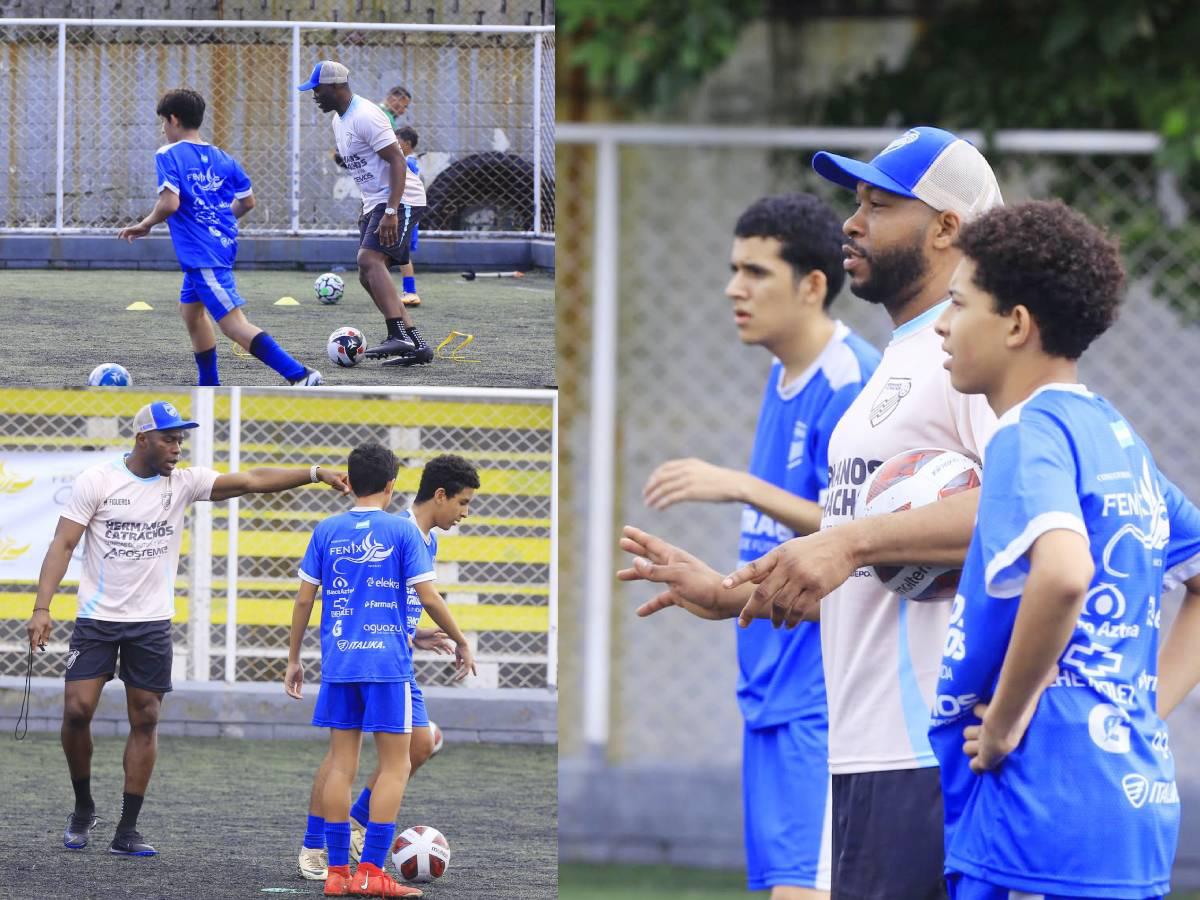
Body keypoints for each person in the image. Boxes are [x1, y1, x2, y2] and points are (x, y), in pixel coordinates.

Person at [621, 126, 1002, 898]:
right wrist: (733, 594)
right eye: (854, 202)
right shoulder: (902, 360)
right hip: (865, 748)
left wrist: (849, 541)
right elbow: (867, 569)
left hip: (926, 746)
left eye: (877, 206)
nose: (851, 224)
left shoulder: (969, 358)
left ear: (945, 228)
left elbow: (1025, 513)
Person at [929, 200, 1200, 899]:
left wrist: (1004, 722)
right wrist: (1143, 703)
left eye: (958, 303)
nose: (941, 324)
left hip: (1037, 808)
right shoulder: (1114, 435)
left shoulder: (1028, 435)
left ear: (1016, 324)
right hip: (1127, 798)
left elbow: (1064, 573)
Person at [641, 193, 879, 899]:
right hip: (772, 691)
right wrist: (721, 590)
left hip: (826, 697)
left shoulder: (853, 383)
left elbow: (864, 542)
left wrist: (741, 486)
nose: (733, 289)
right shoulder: (785, 374)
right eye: (733, 270)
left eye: (755, 272)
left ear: (812, 285)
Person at [25, 400, 350, 856]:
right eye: (169, 439)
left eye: (180, 439)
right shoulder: (97, 481)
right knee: (77, 711)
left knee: (146, 717)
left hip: (151, 624)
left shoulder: (183, 482)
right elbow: (63, 544)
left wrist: (315, 473)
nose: (177, 447)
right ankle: (83, 808)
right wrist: (42, 608)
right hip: (97, 621)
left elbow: (251, 480)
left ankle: (127, 830)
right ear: (142, 439)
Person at [285, 443, 474, 897]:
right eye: (464, 502)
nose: (466, 512)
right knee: (394, 765)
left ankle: (339, 864)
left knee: (368, 757)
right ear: (392, 485)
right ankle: (353, 862)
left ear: (349, 481)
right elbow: (426, 597)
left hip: (343, 660)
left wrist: (293, 658)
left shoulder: (328, 529)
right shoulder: (401, 530)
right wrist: (462, 640)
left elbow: (312, 599)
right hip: (387, 665)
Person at [116, 89, 321, 386]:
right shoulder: (224, 159)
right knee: (191, 312)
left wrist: (146, 224)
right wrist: (216, 223)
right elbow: (247, 202)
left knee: (233, 325)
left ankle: (300, 375)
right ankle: (209, 385)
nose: (162, 129)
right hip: (217, 247)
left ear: (174, 119)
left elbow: (169, 203)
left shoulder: (168, 154)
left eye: (163, 122)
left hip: (203, 254)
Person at [299, 61, 432, 367]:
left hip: (400, 198)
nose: (314, 96)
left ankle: (397, 333)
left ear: (336, 87)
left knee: (369, 260)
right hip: (376, 201)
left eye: (317, 90)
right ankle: (416, 344)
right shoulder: (339, 121)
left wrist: (390, 210)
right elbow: (366, 169)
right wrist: (370, 207)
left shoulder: (366, 115)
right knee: (366, 273)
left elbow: (397, 161)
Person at [394, 127, 425, 308]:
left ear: (407, 143)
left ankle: (410, 291)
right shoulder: (410, 161)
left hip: (405, 212)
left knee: (402, 253)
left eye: (396, 141)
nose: (393, 144)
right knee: (397, 252)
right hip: (406, 212)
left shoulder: (408, 163)